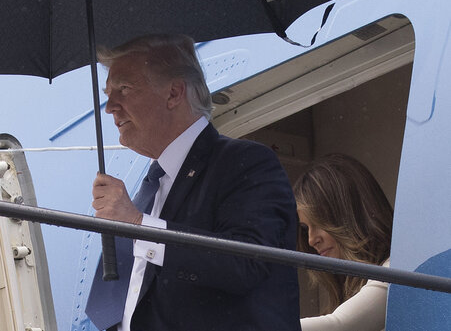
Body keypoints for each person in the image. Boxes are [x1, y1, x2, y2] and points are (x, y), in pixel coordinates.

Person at [84, 34, 300, 331]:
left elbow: (246, 263)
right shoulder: (151, 187)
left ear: (174, 93)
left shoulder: (246, 162)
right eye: (109, 93)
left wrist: (136, 223)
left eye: (124, 88)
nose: (110, 107)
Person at [293, 153, 394, 331]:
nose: (311, 239)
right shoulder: (350, 288)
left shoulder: (397, 267)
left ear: (351, 215)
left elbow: (341, 325)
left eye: (320, 222)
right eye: (305, 228)